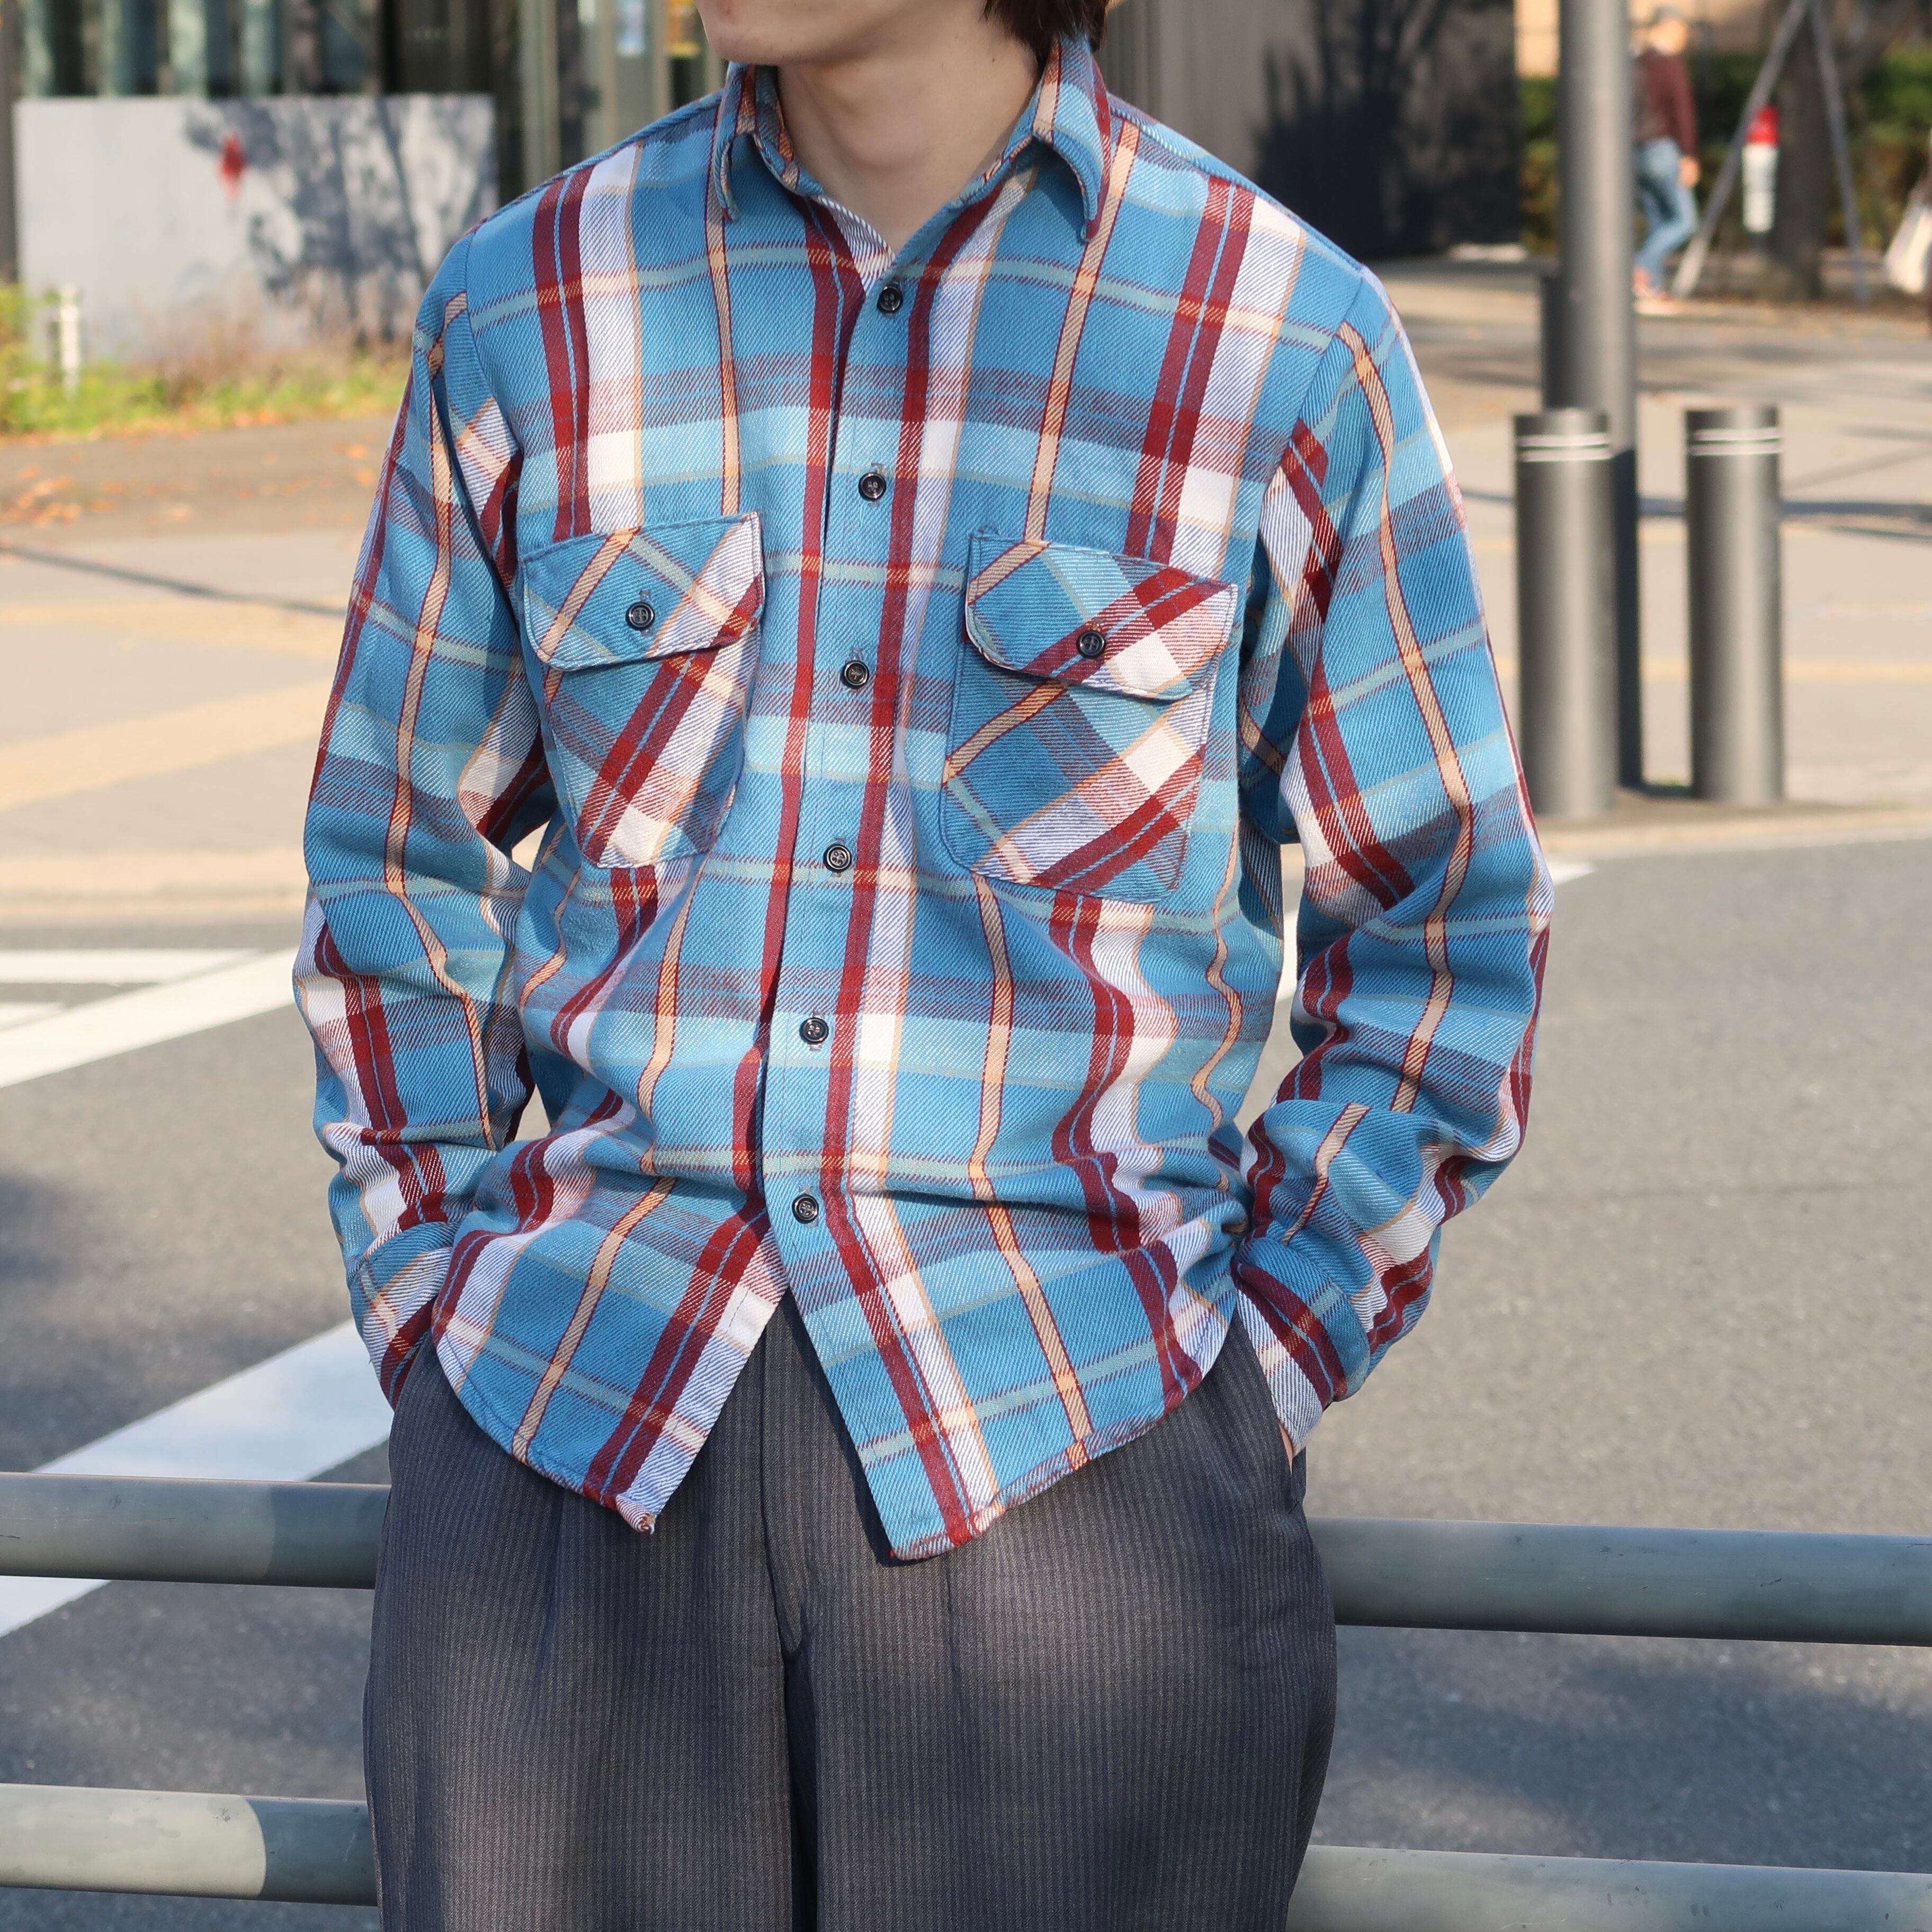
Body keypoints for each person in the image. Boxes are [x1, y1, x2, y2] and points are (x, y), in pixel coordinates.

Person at [297, 0, 1550, 1924]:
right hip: (572, 1430)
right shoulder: (531, 298)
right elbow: (398, 860)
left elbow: (1442, 918)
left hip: (1077, 1465)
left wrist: (1258, 1367)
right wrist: (436, 1312)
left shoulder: (1273, 328)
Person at [1634, 5, 1701, 307]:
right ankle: (1639, 268)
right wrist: (1689, 155)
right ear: (1670, 27)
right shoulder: (1671, 65)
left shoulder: (1637, 63)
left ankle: (1652, 289)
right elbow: (1682, 113)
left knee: (1657, 221)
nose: (1685, 38)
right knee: (1683, 221)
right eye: (1683, 30)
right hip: (1662, 149)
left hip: (1635, 152)